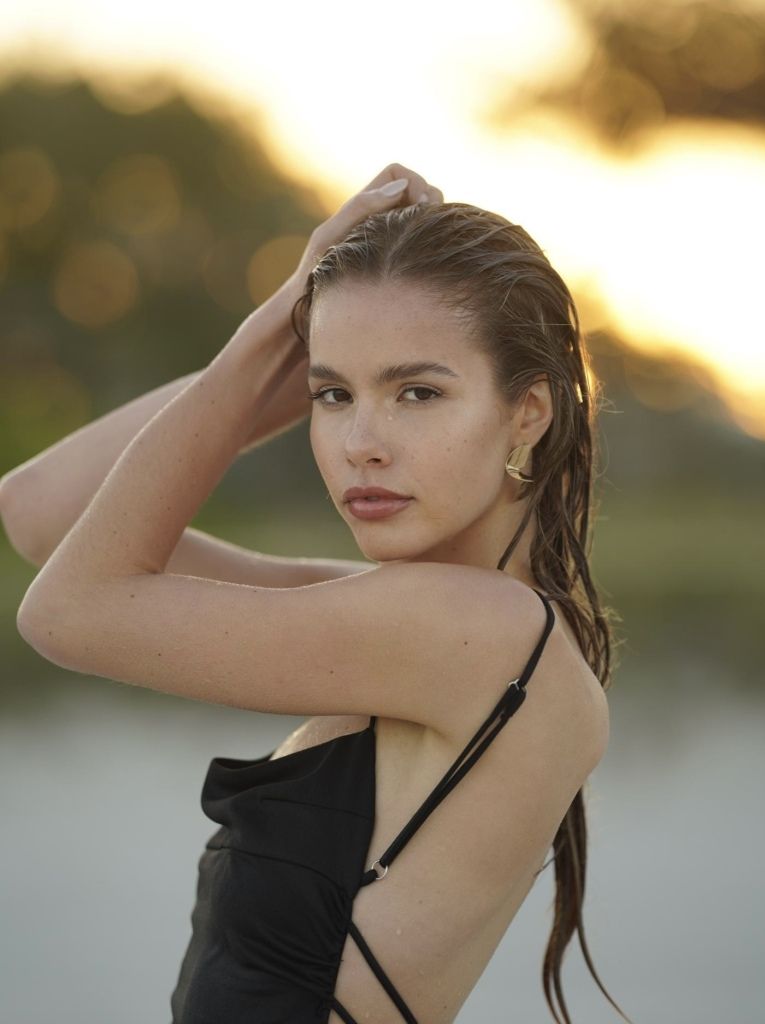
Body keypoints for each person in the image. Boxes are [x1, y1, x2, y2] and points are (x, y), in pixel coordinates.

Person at [5, 162, 631, 1024]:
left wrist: (275, 328)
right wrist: (298, 327)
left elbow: (65, 612)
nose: (360, 442)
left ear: (528, 412)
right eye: (332, 394)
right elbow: (41, 511)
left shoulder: (474, 633)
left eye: (418, 392)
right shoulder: (415, 622)